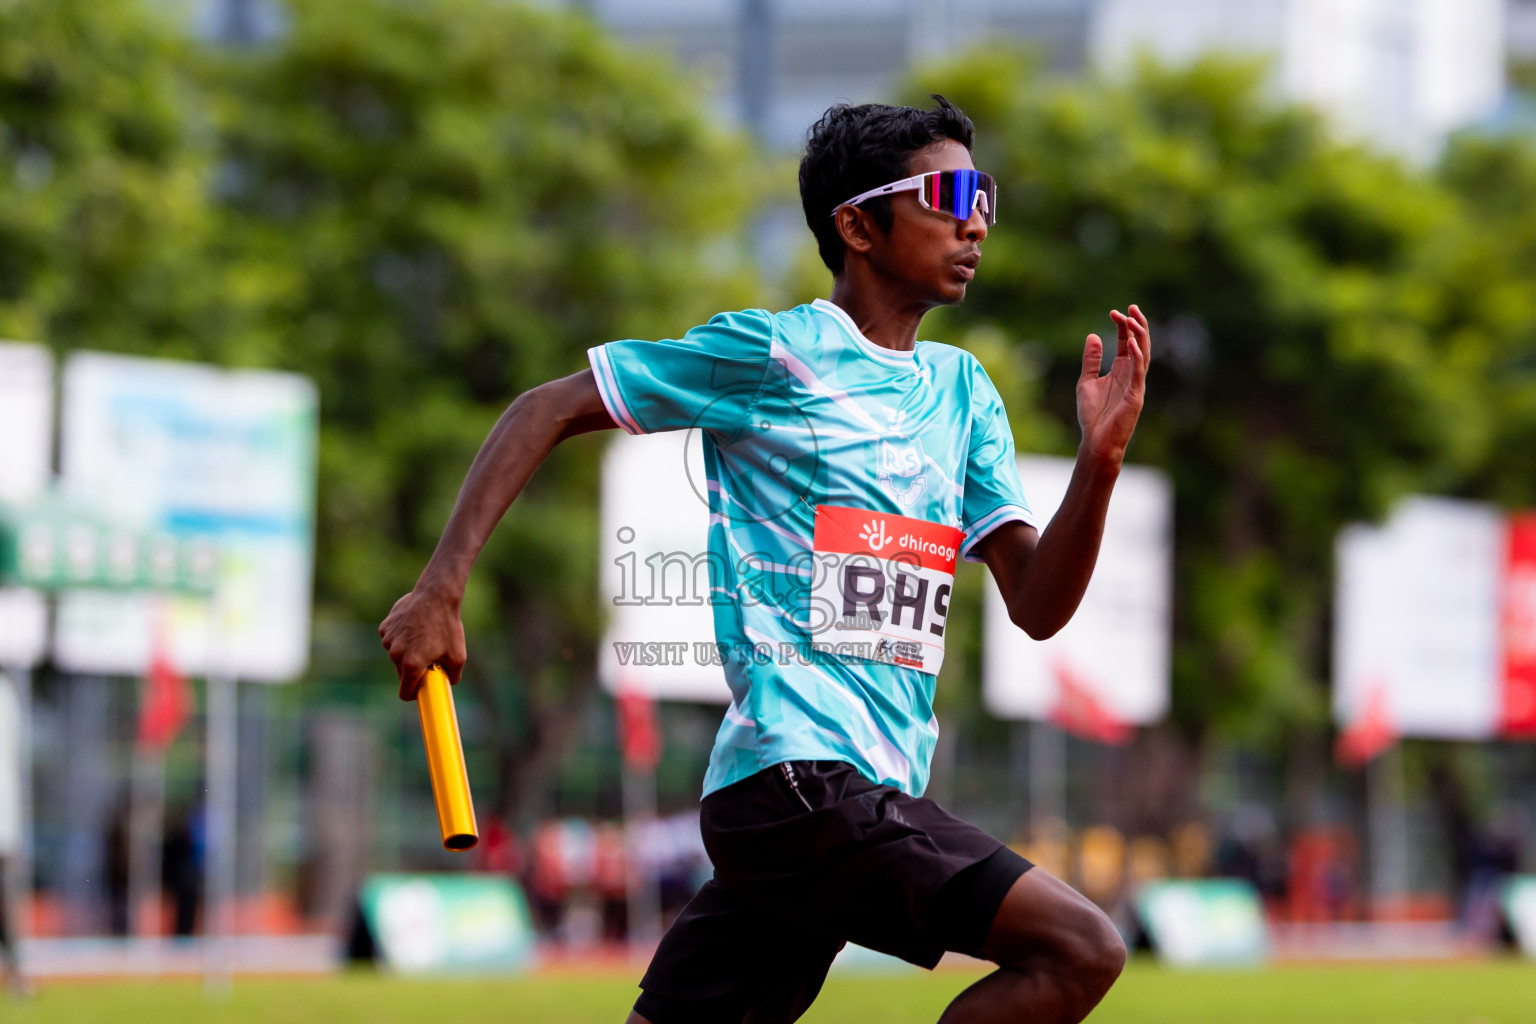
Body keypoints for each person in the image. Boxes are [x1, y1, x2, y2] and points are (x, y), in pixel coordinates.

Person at [381, 95, 1150, 1023]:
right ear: (858, 225)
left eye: (982, 192)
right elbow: (542, 410)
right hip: (801, 787)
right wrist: (440, 587)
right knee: (1078, 950)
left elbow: (1037, 603)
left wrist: (1097, 464)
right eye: (947, 191)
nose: (975, 216)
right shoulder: (774, 354)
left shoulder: (964, 393)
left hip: (837, 803)